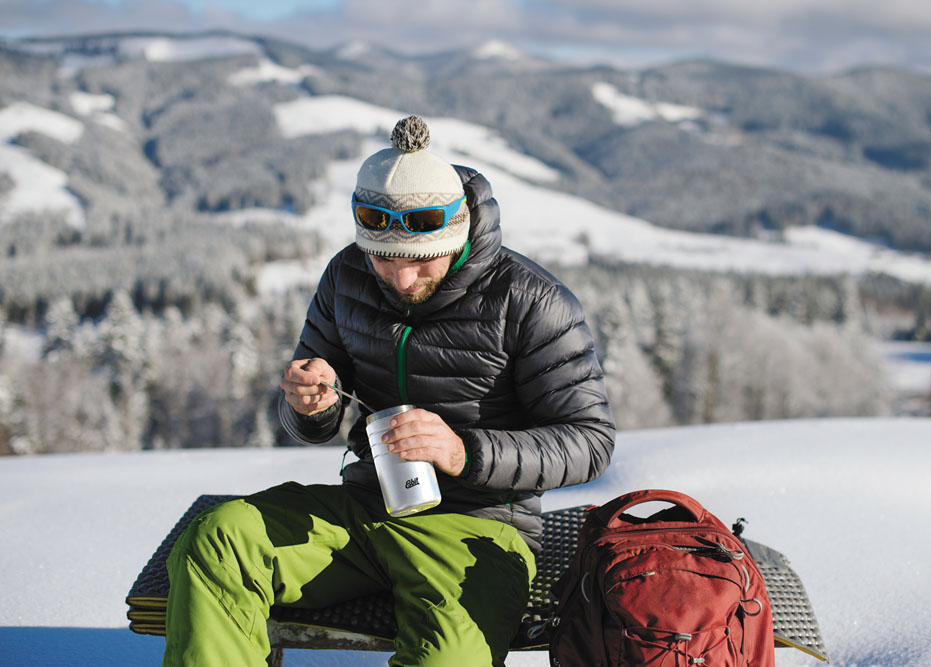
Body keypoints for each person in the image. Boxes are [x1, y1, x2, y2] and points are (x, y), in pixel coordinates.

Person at [162, 115, 616, 667]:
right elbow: (314, 406)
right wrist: (311, 405)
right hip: (363, 508)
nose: (401, 280)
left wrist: (463, 452)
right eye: (383, 258)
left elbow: (591, 442)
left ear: (457, 236)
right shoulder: (346, 276)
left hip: (478, 531)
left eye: (421, 260)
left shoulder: (531, 301)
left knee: (449, 659)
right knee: (220, 540)